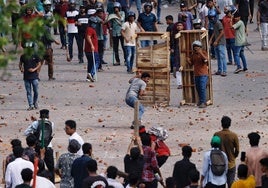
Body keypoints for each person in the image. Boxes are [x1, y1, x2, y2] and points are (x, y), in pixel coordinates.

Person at [24, 109, 55, 183]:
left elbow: (26, 132)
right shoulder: (52, 123)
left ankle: (39, 182)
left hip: (38, 147)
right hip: (48, 146)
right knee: (51, 168)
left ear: (40, 116)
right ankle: (52, 182)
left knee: (40, 167)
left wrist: (33, 133)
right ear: (48, 115)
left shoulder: (36, 123)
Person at [214, 116, 239, 188]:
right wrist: (234, 156)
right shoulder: (234, 135)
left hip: (219, 163)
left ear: (221, 124)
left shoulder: (217, 134)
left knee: (221, 184)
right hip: (231, 163)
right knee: (231, 183)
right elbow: (237, 149)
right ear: (230, 124)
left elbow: (213, 147)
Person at [186, 40, 209, 108]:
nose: (196, 48)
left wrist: (200, 53)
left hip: (203, 74)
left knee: (202, 88)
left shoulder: (204, 53)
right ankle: (201, 101)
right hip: (196, 74)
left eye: (197, 46)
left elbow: (206, 60)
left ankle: (203, 102)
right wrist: (188, 61)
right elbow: (191, 64)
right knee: (198, 88)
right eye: (194, 46)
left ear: (200, 47)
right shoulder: (193, 55)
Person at [19, 44, 42, 110]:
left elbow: (39, 64)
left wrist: (34, 69)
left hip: (34, 76)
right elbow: (20, 64)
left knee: (36, 91)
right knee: (28, 92)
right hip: (26, 76)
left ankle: (35, 103)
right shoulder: (23, 56)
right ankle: (30, 105)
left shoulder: (35, 55)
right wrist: (21, 69)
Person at [42, 0, 60, 81]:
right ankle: (37, 75)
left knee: (50, 62)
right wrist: (55, 41)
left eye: (49, 5)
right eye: (46, 6)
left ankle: (50, 76)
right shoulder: (42, 16)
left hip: (48, 44)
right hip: (43, 44)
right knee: (40, 61)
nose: (48, 7)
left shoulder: (51, 14)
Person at [209, 11, 227, 77]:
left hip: (221, 42)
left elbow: (222, 33)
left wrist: (216, 41)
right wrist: (211, 39)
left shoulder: (218, 23)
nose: (211, 19)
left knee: (222, 57)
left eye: (212, 17)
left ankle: (224, 71)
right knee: (218, 57)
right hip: (216, 42)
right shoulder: (213, 23)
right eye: (210, 17)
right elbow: (214, 32)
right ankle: (219, 70)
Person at [108, 2, 126, 66]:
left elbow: (122, 19)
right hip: (114, 32)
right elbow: (110, 23)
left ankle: (126, 60)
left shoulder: (122, 13)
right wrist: (110, 28)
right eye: (115, 8)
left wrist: (118, 13)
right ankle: (117, 60)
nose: (116, 9)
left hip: (121, 32)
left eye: (117, 8)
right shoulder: (111, 14)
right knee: (115, 48)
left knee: (124, 47)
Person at [85, 9, 99, 82]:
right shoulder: (90, 29)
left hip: (89, 49)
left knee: (90, 63)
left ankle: (88, 77)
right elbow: (88, 37)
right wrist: (92, 45)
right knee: (96, 62)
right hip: (92, 49)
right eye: (94, 23)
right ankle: (91, 73)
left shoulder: (91, 29)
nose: (95, 24)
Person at [172, 20, 184, 90]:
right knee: (177, 68)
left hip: (185, 51)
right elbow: (172, 43)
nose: (179, 27)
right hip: (177, 52)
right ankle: (179, 83)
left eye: (180, 25)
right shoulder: (174, 34)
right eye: (178, 25)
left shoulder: (186, 33)